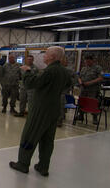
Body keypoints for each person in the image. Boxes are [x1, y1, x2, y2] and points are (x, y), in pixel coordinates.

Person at [9, 46, 72, 177]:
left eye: (46, 54)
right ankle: (43, 167)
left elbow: (32, 83)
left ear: (53, 57)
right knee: (47, 140)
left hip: (41, 109)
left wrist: (27, 72)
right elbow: (68, 85)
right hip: (54, 109)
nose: (44, 56)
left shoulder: (49, 71)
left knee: (29, 135)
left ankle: (23, 163)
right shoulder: (64, 71)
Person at [78, 55, 103, 124]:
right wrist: (80, 82)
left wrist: (90, 83)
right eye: (86, 61)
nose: (87, 62)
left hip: (93, 89)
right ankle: (81, 115)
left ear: (92, 60)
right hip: (83, 89)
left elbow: (100, 78)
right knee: (81, 102)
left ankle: (95, 118)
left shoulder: (97, 68)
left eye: (88, 61)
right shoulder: (83, 68)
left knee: (93, 103)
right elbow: (79, 77)